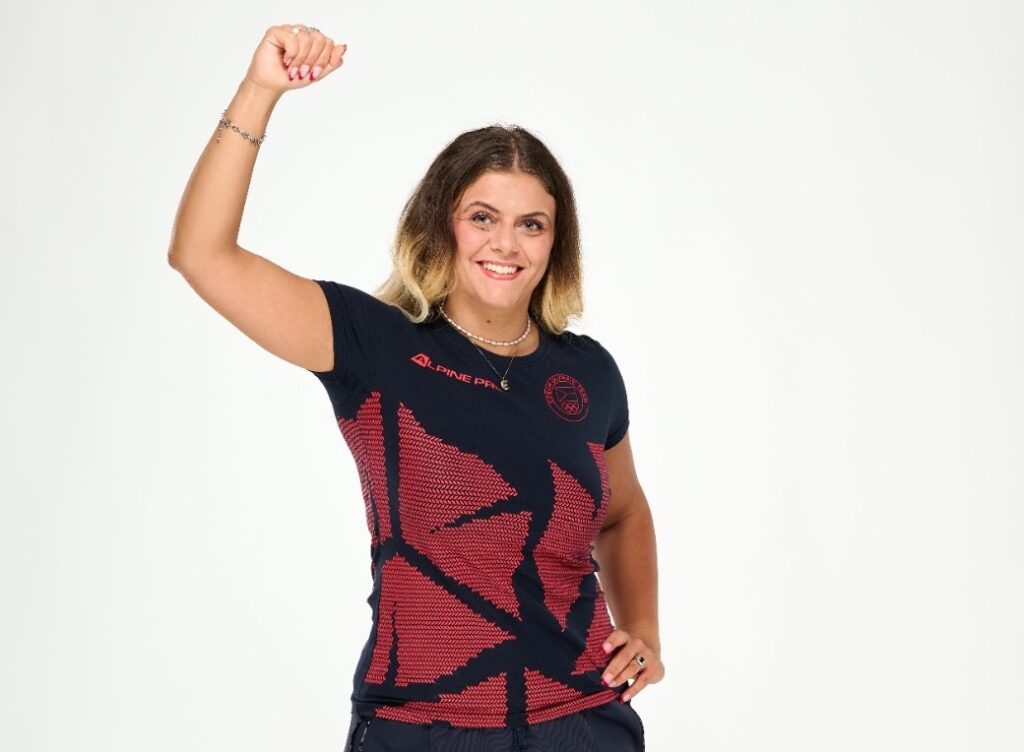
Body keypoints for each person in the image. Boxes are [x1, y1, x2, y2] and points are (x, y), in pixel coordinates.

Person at [169, 22, 663, 752]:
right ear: (443, 225)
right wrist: (259, 91)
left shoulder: (587, 371)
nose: (506, 244)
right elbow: (201, 255)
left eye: (532, 224)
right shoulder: (375, 344)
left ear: (556, 242)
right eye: (482, 218)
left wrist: (644, 626)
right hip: (422, 726)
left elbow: (622, 513)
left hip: (584, 722)